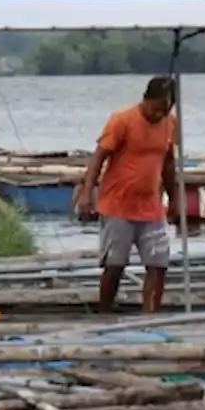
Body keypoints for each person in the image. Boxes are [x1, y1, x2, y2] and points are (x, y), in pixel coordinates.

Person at [75, 76, 181, 313]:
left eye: (166, 110)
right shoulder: (122, 120)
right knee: (115, 264)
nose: (159, 115)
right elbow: (99, 157)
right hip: (118, 204)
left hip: (150, 205)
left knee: (158, 264)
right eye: (156, 109)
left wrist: (174, 198)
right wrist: (87, 191)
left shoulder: (169, 123)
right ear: (147, 99)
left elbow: (168, 162)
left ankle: (150, 314)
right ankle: (104, 311)